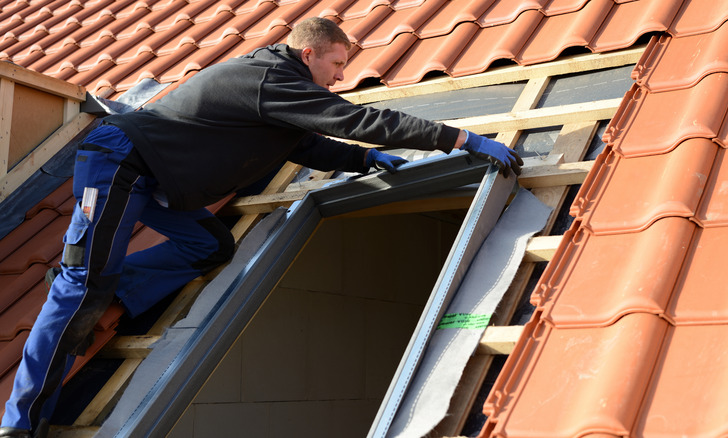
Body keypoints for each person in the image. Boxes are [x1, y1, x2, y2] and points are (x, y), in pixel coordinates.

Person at [0, 16, 522, 438]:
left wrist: (369, 162)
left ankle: (111, 278)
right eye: (336, 65)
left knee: (209, 244)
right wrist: (463, 140)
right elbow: (351, 119)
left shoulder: (277, 93)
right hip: (120, 163)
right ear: (308, 54)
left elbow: (308, 144)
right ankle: (19, 423)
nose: (340, 77)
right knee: (83, 286)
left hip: (157, 179)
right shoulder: (273, 77)